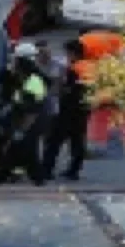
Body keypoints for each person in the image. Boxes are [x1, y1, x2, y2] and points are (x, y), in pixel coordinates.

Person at [0, 44, 48, 186]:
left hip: (30, 123)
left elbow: (32, 111)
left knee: (23, 150)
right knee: (24, 152)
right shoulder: (26, 79)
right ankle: (33, 178)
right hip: (25, 121)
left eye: (16, 61)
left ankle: (4, 175)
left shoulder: (32, 82)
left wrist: (21, 130)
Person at [41, 39, 92, 181]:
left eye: (68, 53)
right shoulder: (89, 67)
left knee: (54, 140)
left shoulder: (74, 69)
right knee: (77, 141)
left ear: (73, 53)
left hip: (68, 110)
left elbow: (67, 90)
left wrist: (59, 86)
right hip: (83, 109)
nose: (67, 56)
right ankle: (74, 170)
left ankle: (46, 170)